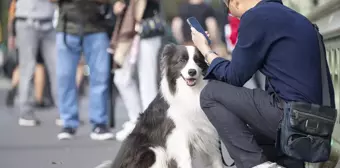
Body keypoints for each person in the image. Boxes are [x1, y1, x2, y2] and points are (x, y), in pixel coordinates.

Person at [190, 0, 335, 167]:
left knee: (210, 94)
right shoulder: (294, 17)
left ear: (235, 2)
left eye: (226, 8)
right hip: (316, 124)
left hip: (292, 117)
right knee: (245, 136)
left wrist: (205, 50)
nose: (230, 14)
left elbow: (233, 77)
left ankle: (257, 165)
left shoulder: (255, 17)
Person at [53, 0, 115, 140]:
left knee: (100, 76)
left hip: (97, 27)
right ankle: (68, 122)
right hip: (67, 27)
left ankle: (99, 123)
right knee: (65, 76)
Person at [111, 0, 163, 141]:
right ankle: (136, 119)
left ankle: (150, 125)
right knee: (121, 77)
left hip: (147, 28)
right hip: (127, 30)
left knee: (147, 79)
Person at [14, 0, 58, 126]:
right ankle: (25, 111)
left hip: (49, 21)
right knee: (27, 67)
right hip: (27, 20)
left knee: (57, 67)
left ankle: (65, 112)